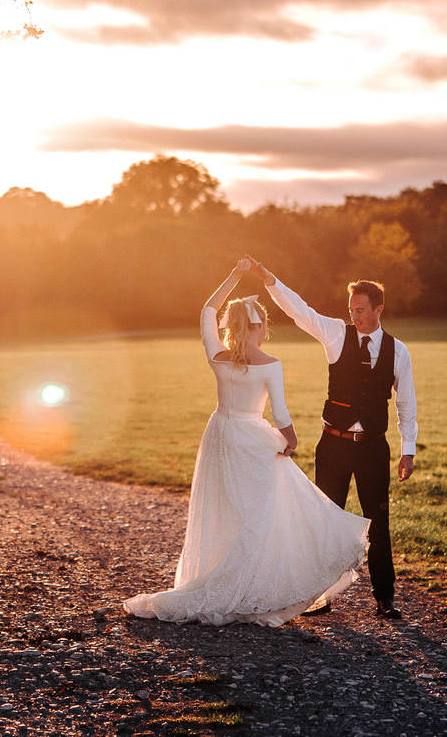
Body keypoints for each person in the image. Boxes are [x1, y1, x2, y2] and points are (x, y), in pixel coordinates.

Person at [123, 260, 369, 626]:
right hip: (253, 437)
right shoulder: (271, 364)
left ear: (232, 326)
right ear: (261, 326)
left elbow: (208, 309)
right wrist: (291, 440)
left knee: (225, 510)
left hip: (221, 434)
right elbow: (282, 416)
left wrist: (234, 276)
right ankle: (253, 587)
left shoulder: (217, 356)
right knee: (262, 513)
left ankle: (227, 578)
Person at [244, 255, 417, 619]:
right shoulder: (336, 333)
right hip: (333, 444)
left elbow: (406, 403)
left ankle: (385, 598)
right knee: (324, 519)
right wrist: (268, 277)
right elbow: (299, 310)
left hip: (372, 448)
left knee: (378, 522)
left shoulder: (398, 351)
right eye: (351, 309)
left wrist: (408, 450)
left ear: (378, 309)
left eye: (360, 310)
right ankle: (318, 597)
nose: (354, 315)